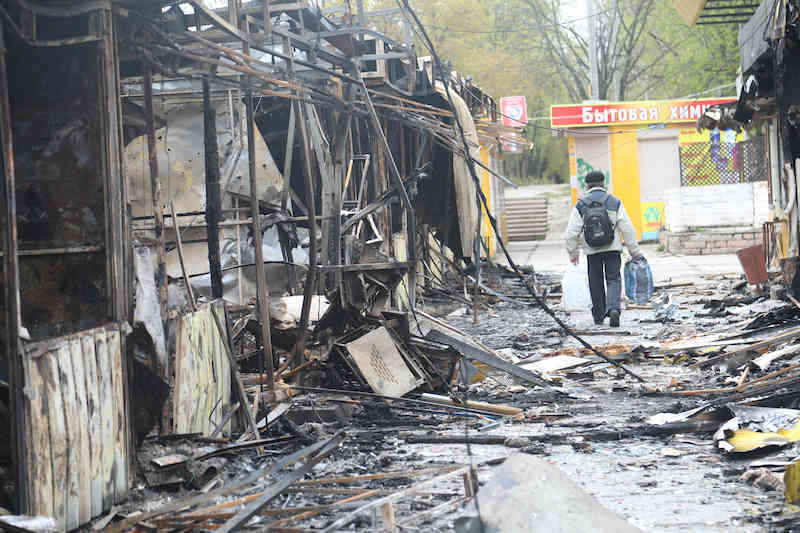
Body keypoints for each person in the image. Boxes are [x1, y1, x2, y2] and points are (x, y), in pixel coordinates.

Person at [564, 170, 642, 327]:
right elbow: (627, 227)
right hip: (612, 248)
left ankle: (599, 315)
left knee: (595, 281)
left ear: (587, 185)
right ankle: (613, 309)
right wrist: (634, 251)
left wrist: (573, 253)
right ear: (603, 183)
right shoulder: (614, 201)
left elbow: (571, 232)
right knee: (613, 279)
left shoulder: (581, 204)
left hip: (592, 251)